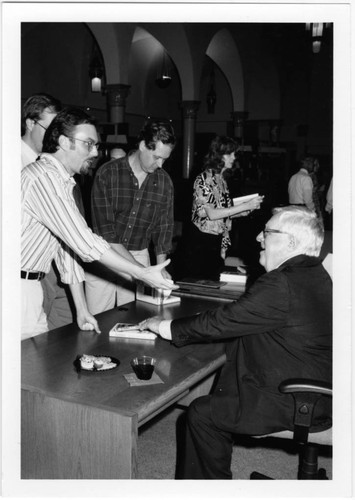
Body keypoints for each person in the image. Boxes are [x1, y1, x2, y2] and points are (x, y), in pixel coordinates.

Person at [139, 206, 332, 479]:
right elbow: (247, 318)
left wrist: (164, 326)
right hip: (319, 389)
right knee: (219, 369)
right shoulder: (316, 273)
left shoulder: (281, 282)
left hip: (297, 400)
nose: (258, 238)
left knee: (202, 414)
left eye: (267, 232)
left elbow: (225, 320)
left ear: (290, 242)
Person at [21, 107, 176, 341]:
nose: (95, 152)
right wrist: (141, 272)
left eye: (95, 145)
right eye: (88, 144)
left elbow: (67, 254)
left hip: (28, 288)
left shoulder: (62, 182)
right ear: (64, 142)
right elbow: (84, 241)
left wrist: (82, 309)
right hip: (16, 288)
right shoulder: (44, 178)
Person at [85, 120, 176, 314]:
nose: (160, 165)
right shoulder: (107, 174)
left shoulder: (164, 182)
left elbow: (164, 228)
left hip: (139, 254)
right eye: (157, 157)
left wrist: (160, 267)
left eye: (165, 160)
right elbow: (106, 233)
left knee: (137, 318)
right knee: (99, 318)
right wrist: (141, 272)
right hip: (104, 254)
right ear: (143, 145)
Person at [21, 93, 77, 330]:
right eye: (49, 127)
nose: (54, 136)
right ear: (30, 123)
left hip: (48, 265)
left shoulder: (50, 164)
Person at [181, 136, 263, 280]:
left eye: (233, 153)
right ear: (218, 155)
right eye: (229, 153)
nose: (233, 157)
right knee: (199, 285)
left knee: (213, 281)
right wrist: (244, 206)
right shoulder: (204, 178)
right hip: (200, 242)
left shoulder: (221, 180)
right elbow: (211, 214)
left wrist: (243, 212)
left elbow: (222, 213)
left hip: (214, 240)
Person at [21, 93, 62, 169]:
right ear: (31, 124)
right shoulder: (10, 159)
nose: (55, 138)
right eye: (49, 130)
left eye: (57, 132)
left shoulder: (48, 161)